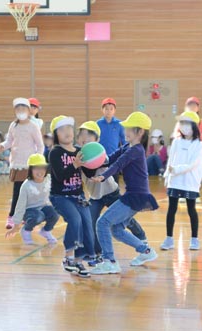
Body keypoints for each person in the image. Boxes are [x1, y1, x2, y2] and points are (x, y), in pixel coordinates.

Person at [89, 113, 158, 274]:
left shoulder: (136, 150)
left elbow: (118, 165)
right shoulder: (128, 147)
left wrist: (103, 176)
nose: (125, 131)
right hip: (136, 196)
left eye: (129, 129)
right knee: (117, 230)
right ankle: (146, 251)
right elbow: (110, 159)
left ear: (140, 132)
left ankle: (110, 261)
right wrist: (96, 160)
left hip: (135, 196)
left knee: (102, 222)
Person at [77, 121, 149, 265]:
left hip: (110, 192)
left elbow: (106, 164)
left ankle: (140, 235)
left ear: (97, 140)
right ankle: (98, 254)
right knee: (92, 224)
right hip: (95, 196)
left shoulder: (98, 153)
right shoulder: (79, 156)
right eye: (82, 136)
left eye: (89, 137)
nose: (85, 139)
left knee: (123, 220)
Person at [49, 115, 95, 278]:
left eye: (69, 128)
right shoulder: (55, 153)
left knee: (86, 224)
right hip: (60, 196)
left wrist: (93, 169)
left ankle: (78, 260)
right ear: (56, 134)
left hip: (78, 196)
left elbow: (87, 170)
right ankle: (68, 257)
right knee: (75, 219)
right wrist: (74, 164)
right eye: (61, 129)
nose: (66, 132)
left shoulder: (78, 151)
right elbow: (60, 176)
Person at [161, 111, 202, 250]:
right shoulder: (176, 141)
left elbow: (193, 164)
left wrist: (176, 169)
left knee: (191, 209)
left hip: (189, 182)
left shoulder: (199, 144)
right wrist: (167, 176)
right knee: (171, 209)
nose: (184, 127)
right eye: (182, 124)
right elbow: (171, 160)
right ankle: (169, 239)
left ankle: (194, 239)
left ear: (194, 126)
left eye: (187, 124)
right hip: (175, 181)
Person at [0, 98, 44, 230]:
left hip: (29, 164)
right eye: (18, 109)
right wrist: (2, 146)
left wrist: (38, 161)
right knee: (17, 192)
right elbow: (9, 141)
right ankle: (12, 217)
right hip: (17, 163)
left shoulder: (33, 126)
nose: (20, 111)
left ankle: (27, 216)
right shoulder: (13, 125)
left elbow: (40, 145)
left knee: (29, 192)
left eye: (23, 109)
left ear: (29, 110)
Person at [5, 153, 59, 245]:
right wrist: (16, 225)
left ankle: (46, 231)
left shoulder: (49, 179)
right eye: (36, 168)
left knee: (55, 214)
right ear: (30, 170)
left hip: (43, 206)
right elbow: (20, 206)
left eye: (42, 168)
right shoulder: (26, 186)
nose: (40, 171)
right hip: (29, 211)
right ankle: (26, 230)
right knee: (38, 216)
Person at [97, 98, 126, 182]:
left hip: (114, 158)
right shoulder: (98, 124)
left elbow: (124, 141)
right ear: (102, 110)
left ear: (114, 110)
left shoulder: (119, 124)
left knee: (114, 180)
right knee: (101, 179)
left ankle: (115, 195)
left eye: (111, 109)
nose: (108, 111)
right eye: (106, 109)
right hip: (100, 157)